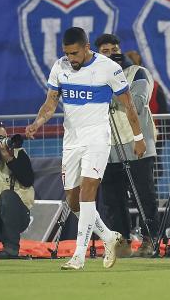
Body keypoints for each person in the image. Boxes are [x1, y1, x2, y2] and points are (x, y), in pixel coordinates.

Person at [25, 27, 145, 270]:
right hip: (71, 141)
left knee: (87, 192)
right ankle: (109, 237)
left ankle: (79, 255)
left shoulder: (108, 68)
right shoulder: (60, 66)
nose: (71, 58)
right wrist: (38, 122)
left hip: (97, 139)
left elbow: (129, 104)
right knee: (73, 199)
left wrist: (138, 136)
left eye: (75, 53)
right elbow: (50, 102)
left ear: (86, 47)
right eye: (68, 54)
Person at [94, 33, 159, 258]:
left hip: (138, 143)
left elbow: (139, 103)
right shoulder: (94, 79)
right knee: (113, 199)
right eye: (105, 51)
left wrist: (111, 91)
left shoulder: (138, 73)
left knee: (144, 196)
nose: (111, 54)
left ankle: (150, 240)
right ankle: (122, 241)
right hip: (109, 145)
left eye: (114, 49)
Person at [0, 121, 35, 258]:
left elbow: (28, 180)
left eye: (3, 137)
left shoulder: (18, 153)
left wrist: (9, 158)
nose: (1, 142)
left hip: (16, 214)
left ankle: (11, 249)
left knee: (7, 196)